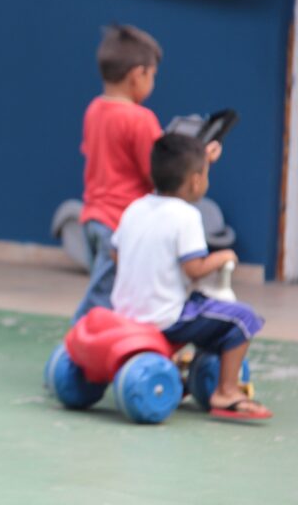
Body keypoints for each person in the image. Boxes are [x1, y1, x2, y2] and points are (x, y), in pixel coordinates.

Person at [111, 133, 271, 420]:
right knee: (243, 318)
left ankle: (195, 363)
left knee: (204, 306)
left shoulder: (135, 207)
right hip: (164, 317)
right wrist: (222, 256)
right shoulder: (186, 215)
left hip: (125, 311)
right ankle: (227, 390)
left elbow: (115, 254)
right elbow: (194, 269)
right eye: (206, 173)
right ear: (196, 181)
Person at [72, 24, 223, 322]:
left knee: (113, 291)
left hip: (93, 218)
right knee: (102, 299)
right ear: (137, 74)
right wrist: (199, 159)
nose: (153, 81)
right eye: (153, 75)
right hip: (119, 223)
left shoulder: (94, 109)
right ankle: (77, 347)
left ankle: (110, 346)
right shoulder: (140, 119)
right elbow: (159, 171)